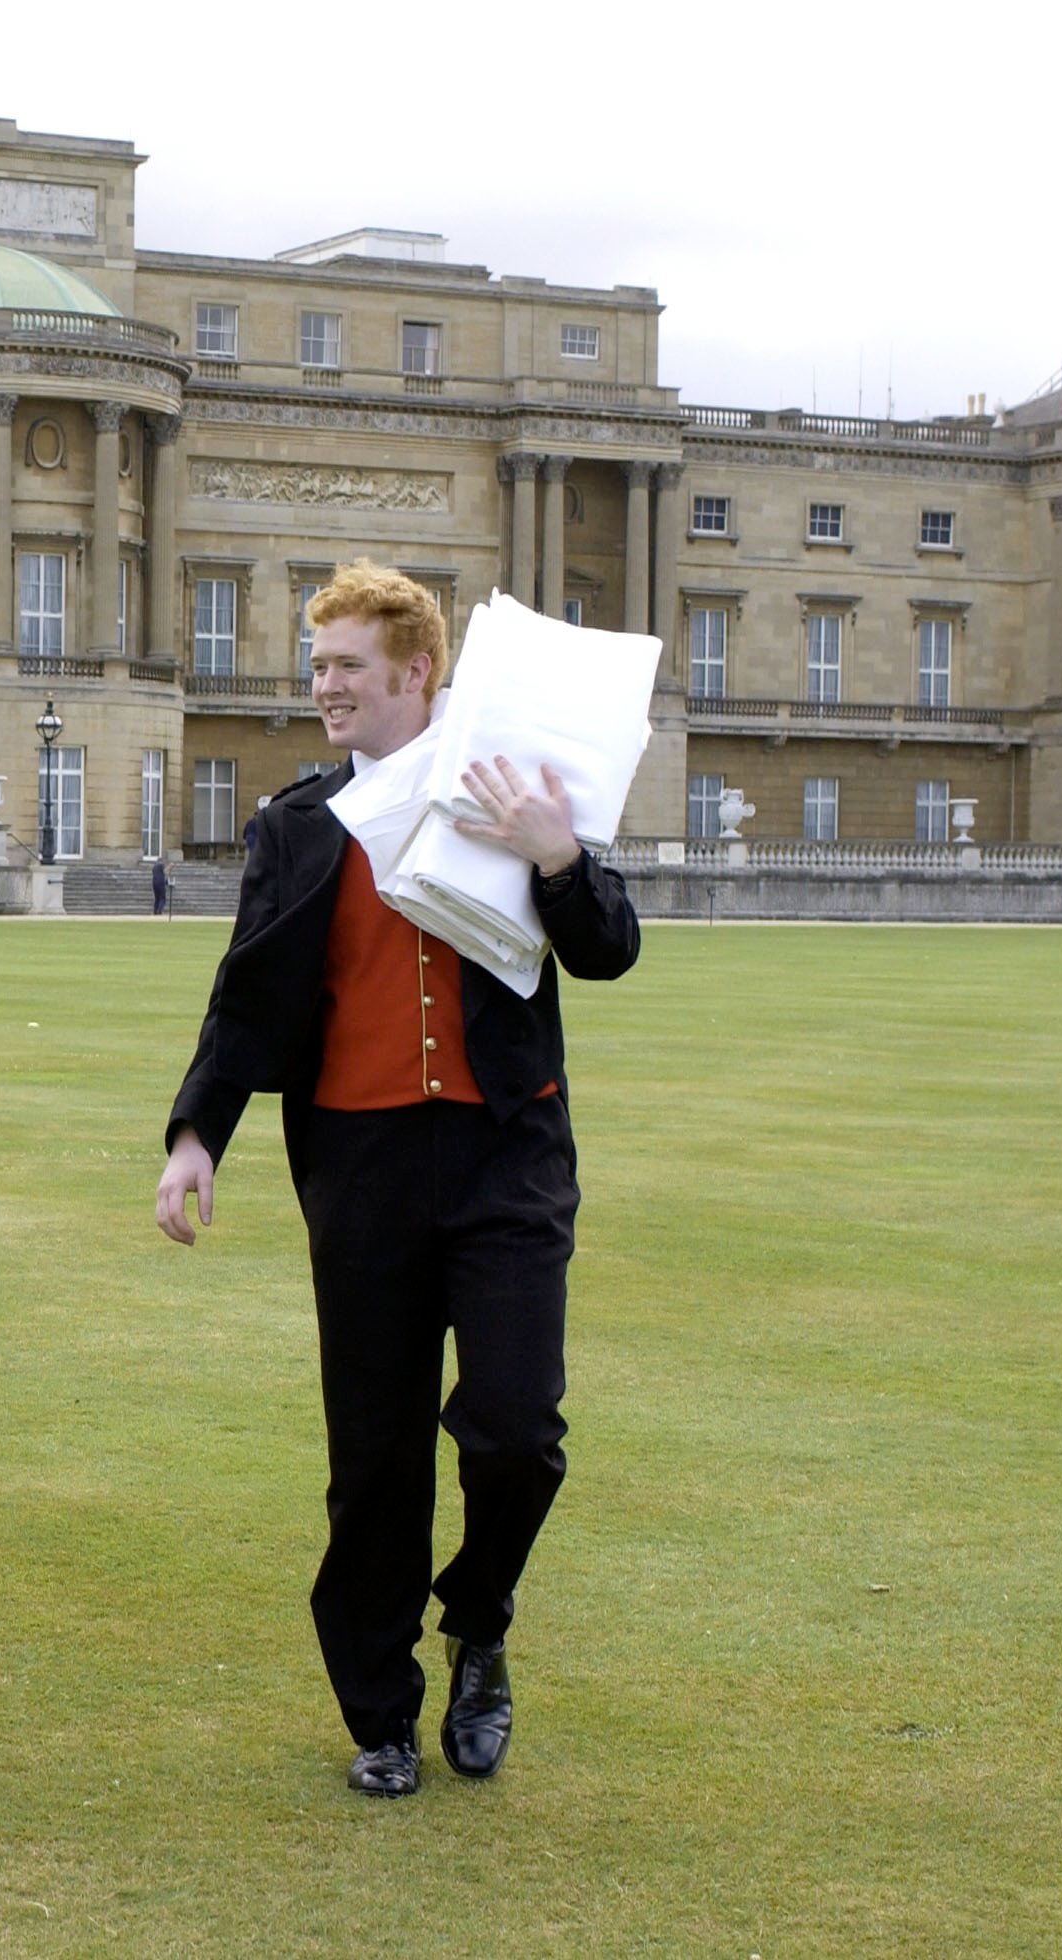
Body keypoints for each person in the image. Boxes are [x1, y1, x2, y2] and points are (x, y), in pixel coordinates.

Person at [152, 561, 640, 1798]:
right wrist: (194, 1135)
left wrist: (557, 856)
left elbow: (607, 951)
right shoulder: (297, 826)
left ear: (416, 674)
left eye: (345, 668)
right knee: (372, 1459)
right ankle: (378, 1711)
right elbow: (247, 997)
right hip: (360, 1171)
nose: (323, 687)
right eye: (316, 667)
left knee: (517, 1428)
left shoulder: (514, 791)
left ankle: (478, 1619)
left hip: (504, 1159)